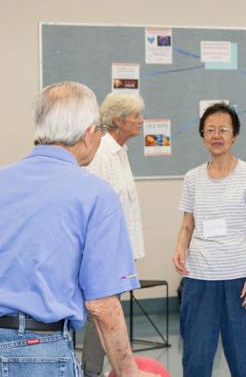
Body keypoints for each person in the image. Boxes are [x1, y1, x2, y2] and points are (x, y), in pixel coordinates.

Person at [0, 82, 154, 377]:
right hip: (39, 353)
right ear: (87, 133)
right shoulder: (95, 194)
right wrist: (128, 371)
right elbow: (102, 305)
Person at [173, 103, 246, 377]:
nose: (216, 135)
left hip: (240, 280)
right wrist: (180, 247)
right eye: (210, 130)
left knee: (243, 361)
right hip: (199, 279)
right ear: (202, 135)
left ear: (234, 135)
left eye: (223, 130)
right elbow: (187, 225)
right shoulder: (192, 178)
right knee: (196, 358)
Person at [81, 92, 146, 377]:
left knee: (108, 311)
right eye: (136, 116)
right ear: (118, 120)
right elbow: (94, 205)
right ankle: (91, 371)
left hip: (120, 250)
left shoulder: (120, 151)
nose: (141, 121)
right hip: (104, 251)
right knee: (103, 311)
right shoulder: (101, 154)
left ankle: (96, 369)